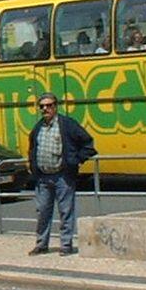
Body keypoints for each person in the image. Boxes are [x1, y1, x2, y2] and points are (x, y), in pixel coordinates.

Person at [27, 92, 96, 257]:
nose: (45, 109)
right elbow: (32, 148)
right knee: (42, 211)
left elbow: (88, 143)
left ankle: (66, 245)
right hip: (43, 178)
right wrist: (32, 165)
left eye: (49, 105)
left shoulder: (67, 124)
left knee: (66, 211)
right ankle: (41, 244)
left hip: (63, 177)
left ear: (55, 107)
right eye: (42, 106)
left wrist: (76, 160)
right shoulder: (38, 127)